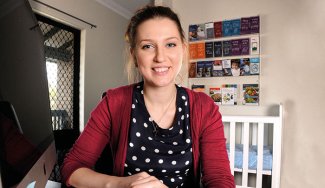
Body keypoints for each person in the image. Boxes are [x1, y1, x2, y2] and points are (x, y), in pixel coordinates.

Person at [61, 5, 235, 188]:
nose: (160, 57)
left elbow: (220, 179)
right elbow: (72, 167)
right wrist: (120, 184)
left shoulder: (204, 108)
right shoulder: (113, 103)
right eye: (148, 46)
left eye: (170, 44)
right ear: (135, 55)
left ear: (182, 49)